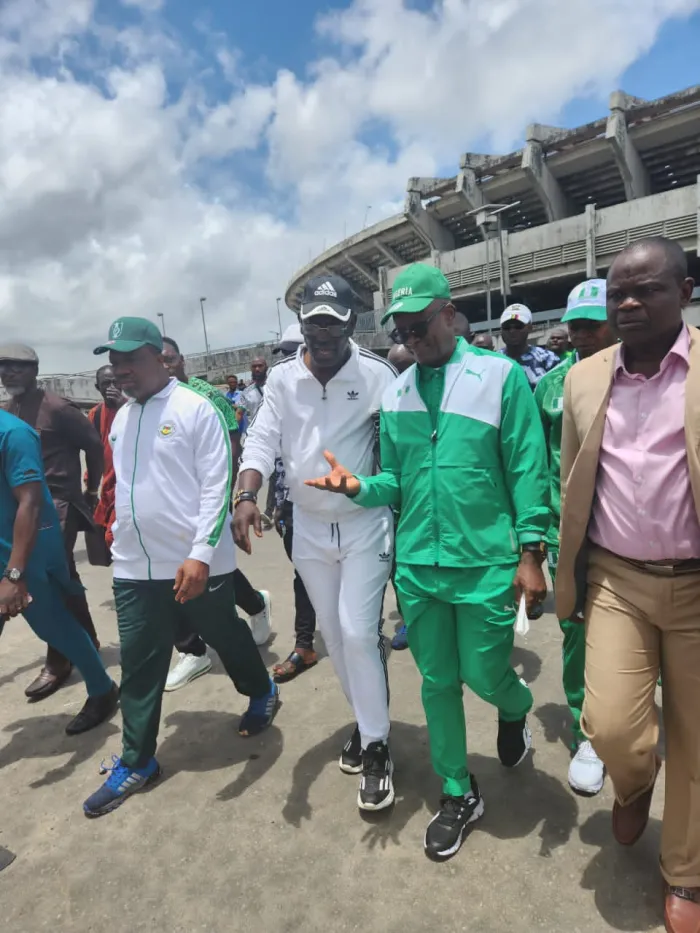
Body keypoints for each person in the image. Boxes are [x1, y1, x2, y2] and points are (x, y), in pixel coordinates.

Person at [306, 262, 549, 860]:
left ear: (449, 314)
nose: (412, 339)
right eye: (402, 331)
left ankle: (515, 708)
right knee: (438, 682)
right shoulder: (398, 393)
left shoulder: (499, 378)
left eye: (420, 326)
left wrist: (531, 553)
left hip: (487, 562)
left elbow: (526, 469)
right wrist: (359, 487)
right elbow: (397, 479)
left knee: (486, 675)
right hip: (417, 564)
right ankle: (457, 791)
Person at [557, 237, 700, 933]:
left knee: (697, 737)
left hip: (697, 584)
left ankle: (686, 870)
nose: (630, 303)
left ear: (686, 291)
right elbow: (571, 480)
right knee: (611, 725)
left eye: (648, 289)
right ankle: (635, 780)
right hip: (616, 576)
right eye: (618, 293)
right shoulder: (584, 379)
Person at [83, 317, 279, 817]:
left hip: (197, 563)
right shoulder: (123, 417)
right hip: (134, 566)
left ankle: (261, 690)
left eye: (129, 360)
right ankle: (138, 761)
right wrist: (114, 526)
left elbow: (217, 488)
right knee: (141, 662)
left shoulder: (196, 409)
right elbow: (121, 481)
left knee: (226, 635)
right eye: (113, 361)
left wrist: (198, 555)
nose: (119, 370)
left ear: (157, 355)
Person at [234, 274, 398, 813]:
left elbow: (399, 447)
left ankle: (377, 747)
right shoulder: (282, 379)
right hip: (306, 528)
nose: (322, 335)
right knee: (332, 634)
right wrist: (247, 493)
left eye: (333, 324)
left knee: (357, 632)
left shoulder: (378, 374)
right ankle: (368, 721)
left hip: (362, 523)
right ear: (301, 325)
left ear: (353, 323)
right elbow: (260, 438)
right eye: (313, 324)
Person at [534, 279, 615, 796]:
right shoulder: (550, 387)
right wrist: (540, 532)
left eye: (592, 325)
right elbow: (539, 462)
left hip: (639, 535)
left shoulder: (646, 377)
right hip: (571, 531)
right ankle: (588, 728)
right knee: (576, 628)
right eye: (575, 326)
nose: (581, 336)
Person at [157, 337, 272, 690]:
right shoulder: (145, 402)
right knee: (169, 583)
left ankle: (255, 605)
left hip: (208, 501)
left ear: (182, 361)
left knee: (218, 574)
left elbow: (232, 447)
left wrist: (234, 498)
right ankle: (193, 651)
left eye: (170, 360)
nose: (164, 368)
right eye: (157, 361)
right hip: (166, 515)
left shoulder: (208, 396)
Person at [0, 409, 118, 734]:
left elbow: (30, 503)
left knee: (53, 625)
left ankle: (102, 689)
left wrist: (15, 574)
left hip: (25, 551)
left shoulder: (13, 434)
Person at [0, 343, 104, 700]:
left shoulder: (57, 408)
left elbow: (94, 445)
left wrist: (91, 490)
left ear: (34, 370)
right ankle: (85, 642)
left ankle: (60, 660)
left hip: (55, 503)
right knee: (65, 581)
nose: (9, 373)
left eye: (17, 366)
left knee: (46, 584)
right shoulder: (10, 408)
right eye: (4, 367)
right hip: (19, 505)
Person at [268, 324, 319, 683]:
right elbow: (272, 455)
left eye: (292, 351)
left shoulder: (340, 392)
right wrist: (274, 501)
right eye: (283, 353)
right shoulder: (278, 397)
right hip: (293, 506)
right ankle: (305, 644)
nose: (287, 360)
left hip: (342, 506)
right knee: (304, 573)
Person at [87, 365, 125, 554]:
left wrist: (122, 407)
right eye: (106, 383)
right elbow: (93, 452)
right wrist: (91, 486)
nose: (111, 387)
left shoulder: (133, 408)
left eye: (115, 382)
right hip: (108, 488)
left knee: (114, 538)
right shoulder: (95, 414)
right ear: (97, 387)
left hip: (129, 488)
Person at [499, 304, 560, 389]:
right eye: (507, 327)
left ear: (530, 327)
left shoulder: (548, 359)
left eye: (518, 326)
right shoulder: (493, 360)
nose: (512, 331)